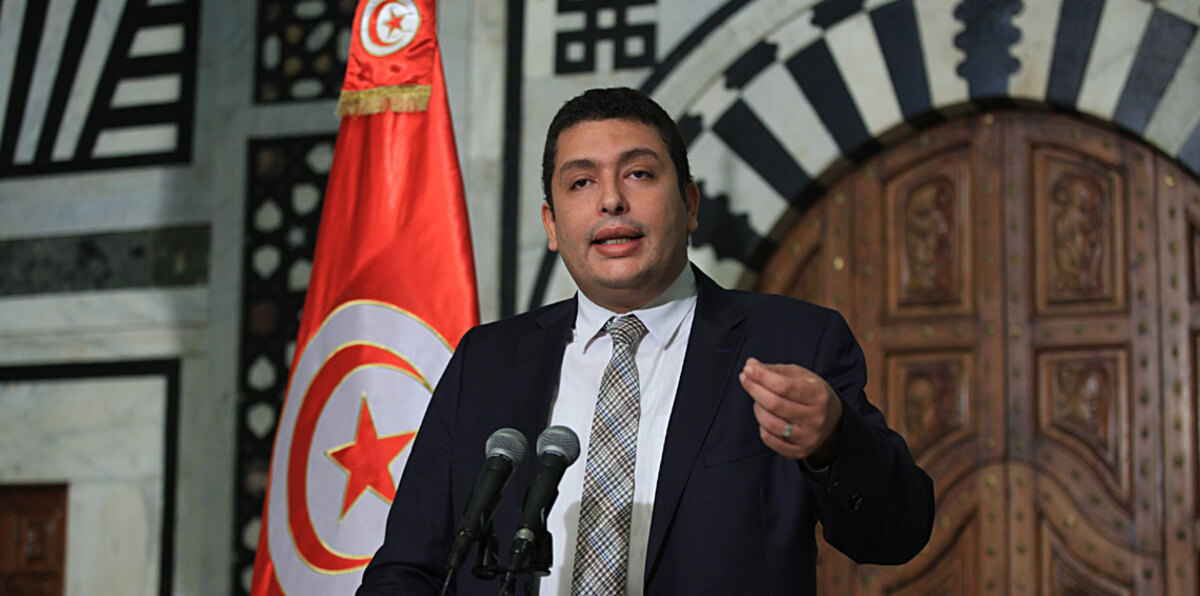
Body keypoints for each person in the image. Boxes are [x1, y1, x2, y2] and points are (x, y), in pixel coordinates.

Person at [358, 87, 933, 595]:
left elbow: (896, 535)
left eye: (638, 174)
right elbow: (410, 567)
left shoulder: (792, 341)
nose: (611, 200)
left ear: (689, 204)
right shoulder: (487, 361)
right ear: (552, 225)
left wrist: (834, 442)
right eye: (582, 182)